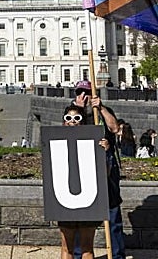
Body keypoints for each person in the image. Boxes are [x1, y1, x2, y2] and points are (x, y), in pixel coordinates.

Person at [72, 80, 125, 259]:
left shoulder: (102, 111)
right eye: (80, 93)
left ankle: (117, 255)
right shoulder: (71, 113)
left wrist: (101, 107)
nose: (83, 97)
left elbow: (115, 128)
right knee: (81, 215)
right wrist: (77, 111)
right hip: (81, 168)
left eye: (86, 93)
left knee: (112, 213)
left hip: (106, 166)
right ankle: (80, 253)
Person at [57, 103, 109, 259]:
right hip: (64, 200)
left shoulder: (95, 142)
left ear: (82, 121)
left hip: (88, 201)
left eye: (76, 118)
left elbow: (105, 173)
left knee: (87, 248)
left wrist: (104, 153)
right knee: (67, 248)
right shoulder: (56, 142)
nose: (72, 121)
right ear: (63, 121)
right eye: (68, 118)